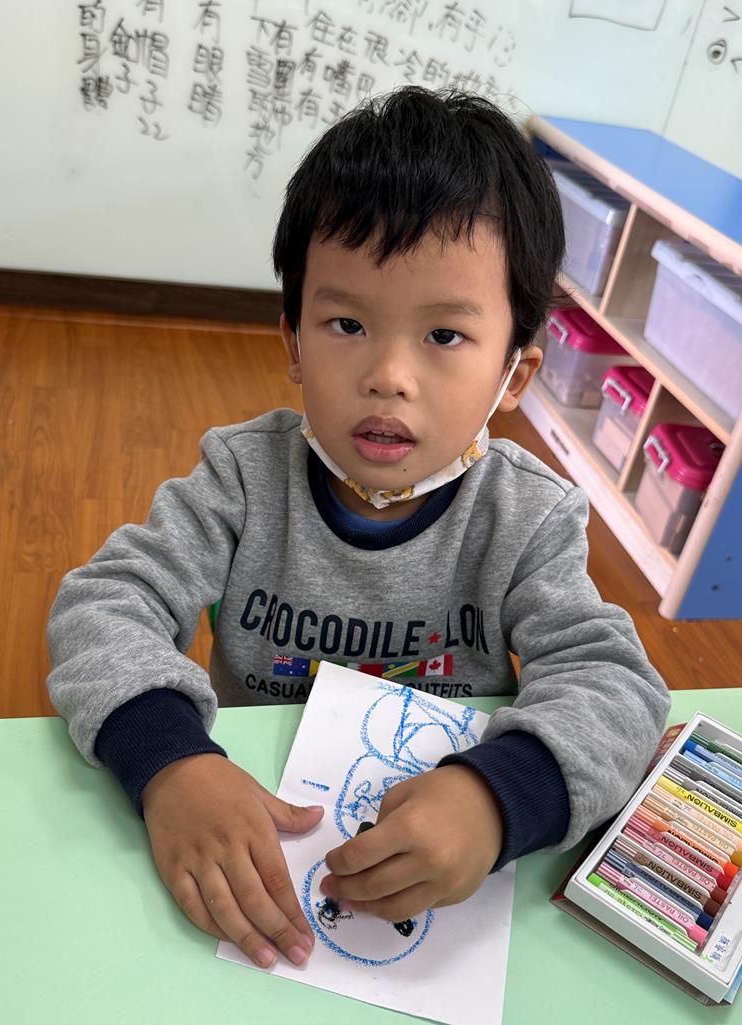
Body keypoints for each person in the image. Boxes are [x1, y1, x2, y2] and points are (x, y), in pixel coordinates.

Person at [47, 86, 669, 973]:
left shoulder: (524, 516)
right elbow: (104, 604)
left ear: (516, 372)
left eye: (444, 335)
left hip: (436, 862)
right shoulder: (243, 478)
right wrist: (169, 760)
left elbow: (613, 682)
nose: (387, 375)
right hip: (250, 814)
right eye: (346, 323)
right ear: (293, 342)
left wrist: (499, 798)